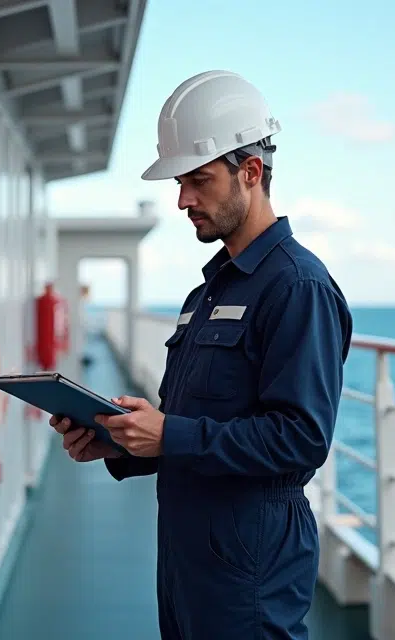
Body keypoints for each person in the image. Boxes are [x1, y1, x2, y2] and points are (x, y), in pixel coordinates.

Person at [51, 70, 353, 639]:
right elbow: (191, 425)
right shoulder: (208, 293)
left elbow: (302, 438)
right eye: (179, 182)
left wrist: (170, 435)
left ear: (252, 172)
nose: (184, 199)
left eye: (198, 180)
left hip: (250, 564)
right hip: (189, 557)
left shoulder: (297, 288)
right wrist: (117, 443)